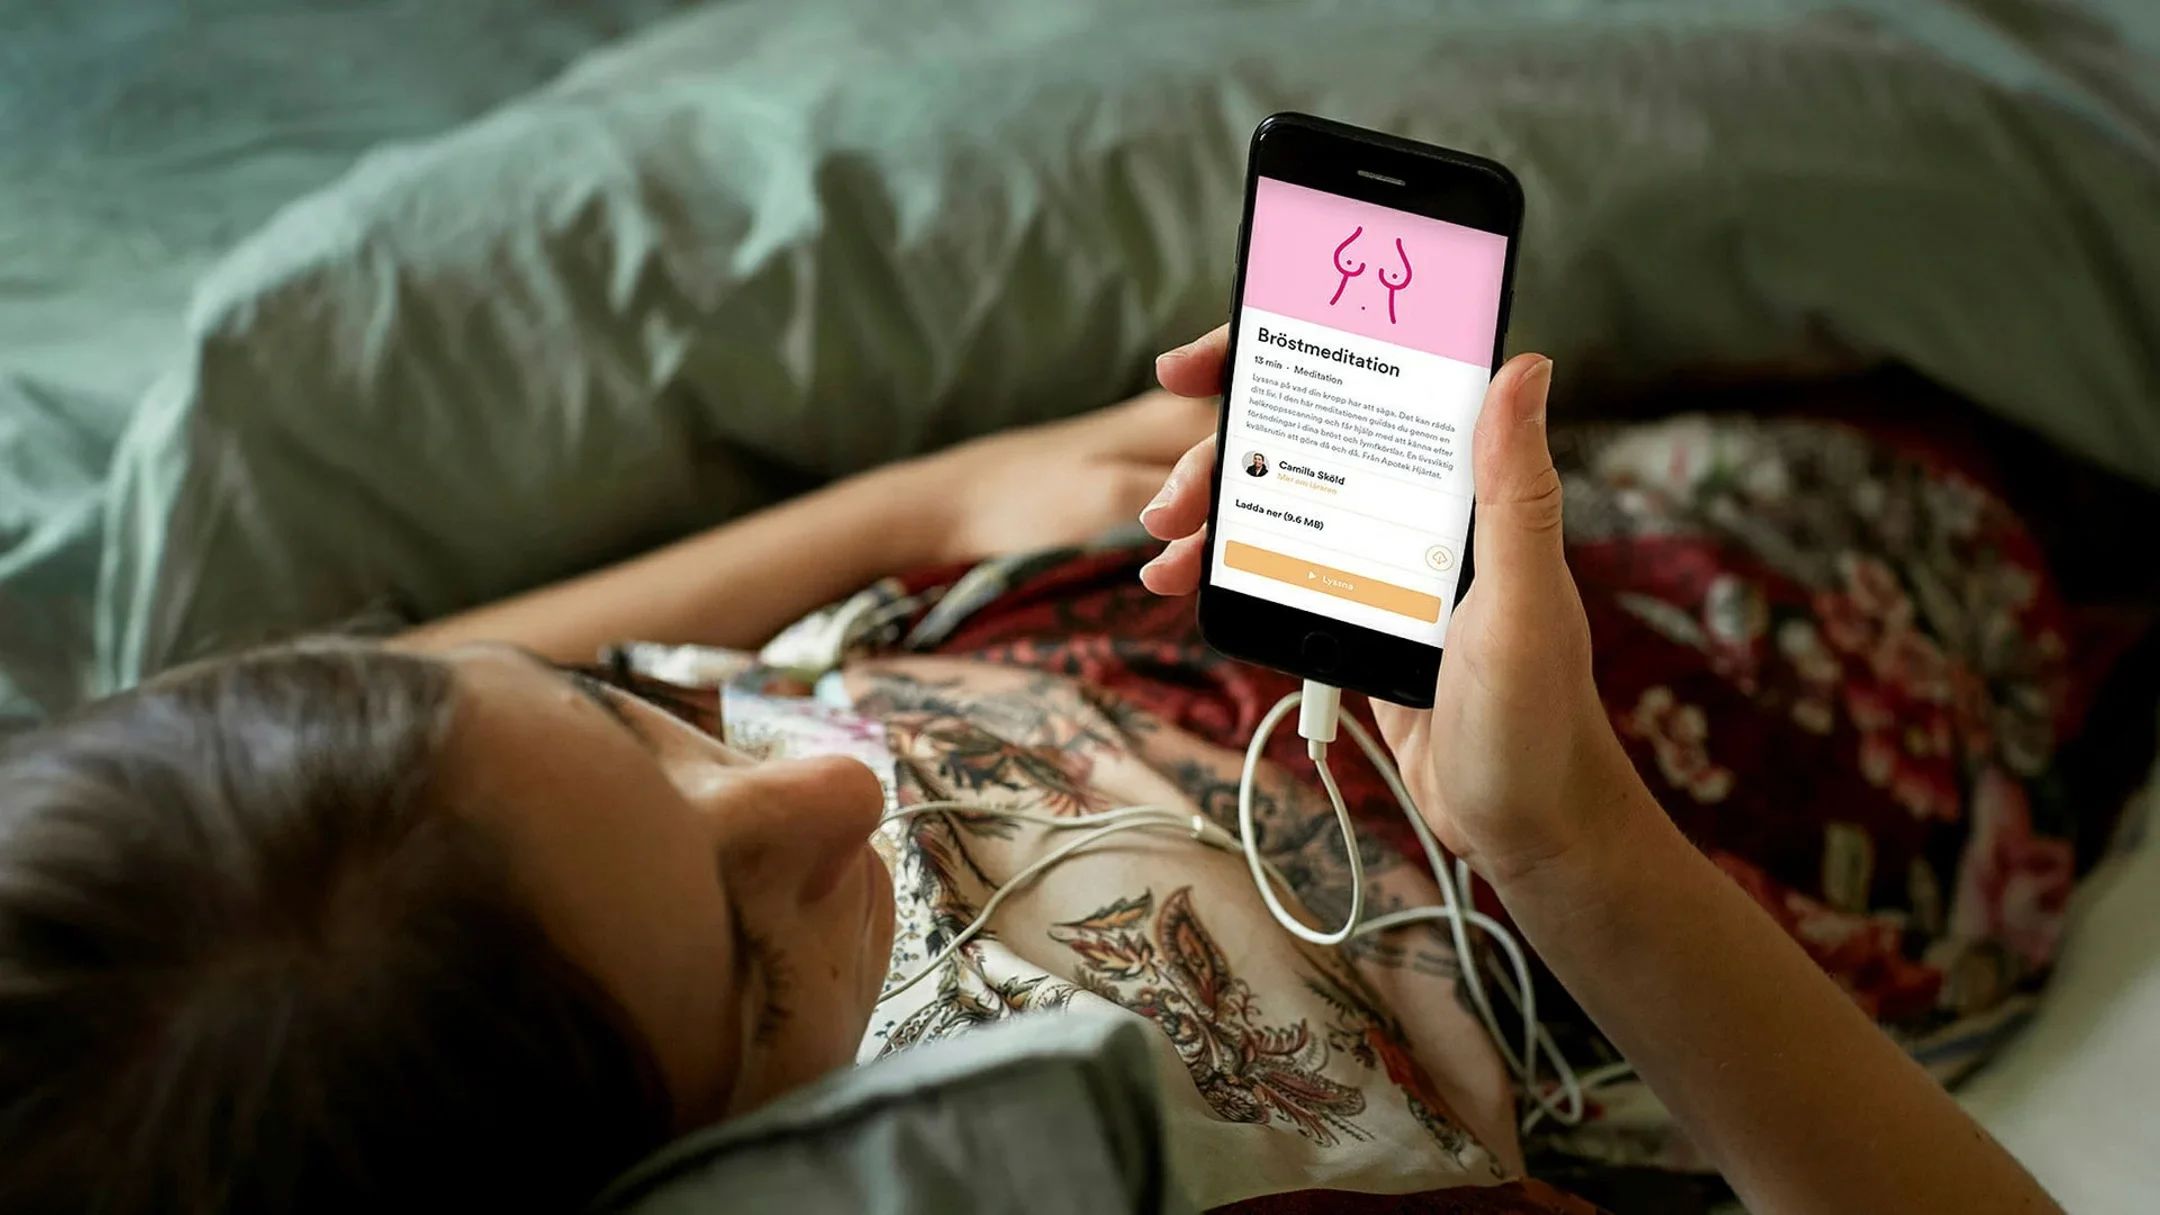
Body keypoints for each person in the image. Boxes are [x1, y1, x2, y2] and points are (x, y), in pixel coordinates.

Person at [0, 328, 2060, 1215]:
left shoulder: (342, 869)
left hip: (1207, 587)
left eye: (646, 718)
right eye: (755, 963)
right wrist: (1577, 843)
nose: (821, 793)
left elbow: (443, 673)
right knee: (1954, 444)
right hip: (1699, 785)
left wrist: (940, 495)